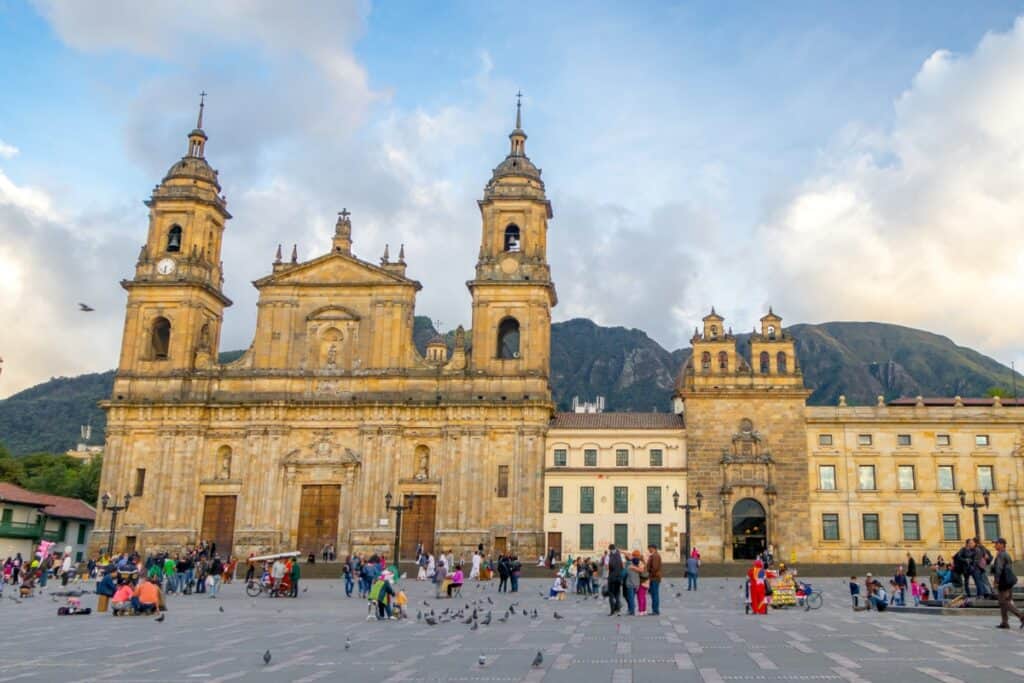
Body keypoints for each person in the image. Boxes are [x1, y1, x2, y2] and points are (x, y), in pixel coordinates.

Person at [991, 537, 1023, 629]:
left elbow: (999, 569)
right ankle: (1004, 622)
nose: (995, 545)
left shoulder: (1001, 555)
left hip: (1003, 581)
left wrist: (996, 581)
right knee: (1003, 602)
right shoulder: (1006, 554)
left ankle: (1021, 616)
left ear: (1001, 544)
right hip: (1008, 581)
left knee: (1004, 601)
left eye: (996, 543)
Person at [606, 544, 624, 616]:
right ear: (615, 548)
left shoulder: (608, 556)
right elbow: (622, 566)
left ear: (609, 549)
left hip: (611, 578)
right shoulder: (620, 555)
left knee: (611, 594)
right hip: (618, 578)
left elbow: (607, 567)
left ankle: (612, 610)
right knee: (617, 594)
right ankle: (618, 609)